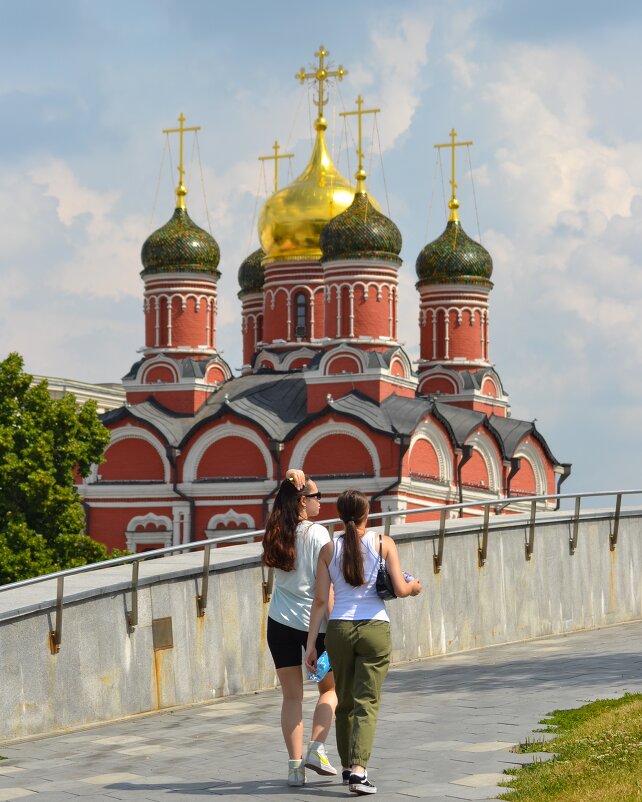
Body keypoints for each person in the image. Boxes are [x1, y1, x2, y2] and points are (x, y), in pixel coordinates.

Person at [305, 489, 422, 795]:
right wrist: (414, 587)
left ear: (341, 515)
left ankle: (347, 767)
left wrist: (310, 645)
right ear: (367, 513)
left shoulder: (329, 549)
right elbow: (398, 588)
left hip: (339, 630)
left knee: (343, 700)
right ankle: (359, 771)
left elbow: (320, 601)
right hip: (374, 628)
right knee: (366, 701)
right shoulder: (384, 543)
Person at [262, 471, 338, 787]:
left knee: (291, 697)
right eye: (318, 496)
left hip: (279, 623)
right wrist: (337, 628)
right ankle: (317, 749)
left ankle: (294, 768)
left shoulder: (275, 532)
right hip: (315, 628)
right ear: (303, 500)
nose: (323, 501)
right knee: (331, 690)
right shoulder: (318, 534)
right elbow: (326, 591)